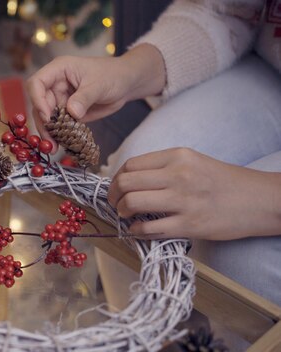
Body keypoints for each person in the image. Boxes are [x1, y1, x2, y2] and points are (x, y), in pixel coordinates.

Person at [27, 0, 281, 331]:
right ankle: (137, 336)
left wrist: (264, 198)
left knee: (244, 266)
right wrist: (126, 71)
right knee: (137, 184)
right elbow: (223, 10)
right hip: (268, 71)